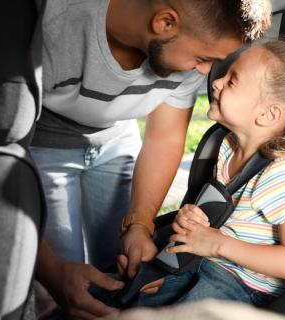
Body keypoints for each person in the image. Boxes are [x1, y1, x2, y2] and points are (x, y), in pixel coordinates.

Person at [32, 0, 272, 318]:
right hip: (41, 142)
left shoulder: (185, 44)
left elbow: (165, 137)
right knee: (57, 288)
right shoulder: (55, 27)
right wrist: (52, 273)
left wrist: (139, 224)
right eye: (203, 59)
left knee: (116, 265)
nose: (206, 74)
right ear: (165, 23)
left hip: (117, 137)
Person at [98, 39, 285, 309]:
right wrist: (193, 219)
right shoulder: (227, 146)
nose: (216, 82)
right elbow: (226, 218)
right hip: (203, 261)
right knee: (122, 295)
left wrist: (217, 244)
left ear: (268, 114)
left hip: (242, 282)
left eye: (233, 81)